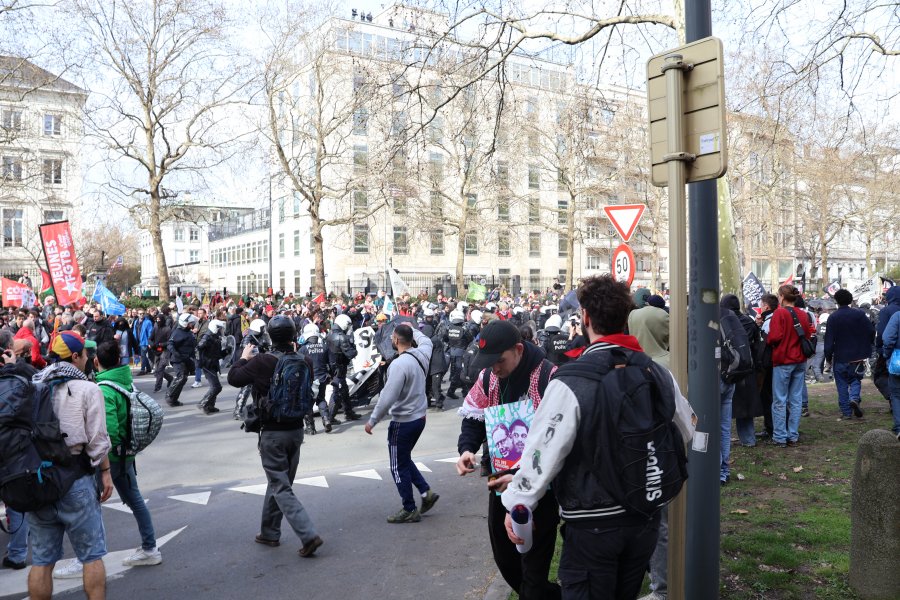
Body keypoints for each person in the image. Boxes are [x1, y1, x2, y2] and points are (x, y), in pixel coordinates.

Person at [500, 275, 694, 600]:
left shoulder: (570, 381)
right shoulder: (655, 371)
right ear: (626, 317)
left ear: (586, 318)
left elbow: (542, 452)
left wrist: (518, 502)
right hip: (643, 516)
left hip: (592, 525)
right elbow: (687, 428)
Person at [456, 320, 559, 600]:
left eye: (499, 361)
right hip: (498, 481)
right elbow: (473, 417)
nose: (495, 369)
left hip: (540, 486)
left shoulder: (550, 378)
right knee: (506, 560)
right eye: (489, 363)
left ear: (518, 349)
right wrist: (467, 449)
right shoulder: (489, 377)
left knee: (533, 568)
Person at [227, 315, 324, 558]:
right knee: (281, 483)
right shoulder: (305, 360)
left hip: (272, 431)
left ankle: (308, 534)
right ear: (294, 336)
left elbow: (234, 379)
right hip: (296, 429)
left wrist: (242, 358)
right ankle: (269, 532)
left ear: (270, 336)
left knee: (280, 485)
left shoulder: (263, 361)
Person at [26, 331, 114, 598]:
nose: (88, 358)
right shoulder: (88, 389)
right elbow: (98, 441)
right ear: (75, 356)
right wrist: (106, 472)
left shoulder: (32, 385)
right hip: (76, 480)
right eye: (85, 353)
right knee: (92, 556)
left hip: (39, 480)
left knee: (41, 561)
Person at [94, 341, 161, 567]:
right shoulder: (125, 381)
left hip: (109, 460)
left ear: (96, 361)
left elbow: (108, 431)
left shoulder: (104, 388)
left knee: (89, 506)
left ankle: (90, 557)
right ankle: (150, 547)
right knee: (136, 500)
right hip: (126, 456)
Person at [364, 324, 439, 523]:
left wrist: (372, 420)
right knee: (404, 459)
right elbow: (426, 340)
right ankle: (426, 492)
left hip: (403, 422)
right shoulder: (422, 353)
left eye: (392, 338)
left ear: (396, 340)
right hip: (419, 418)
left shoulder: (398, 365)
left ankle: (409, 508)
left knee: (397, 466)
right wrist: (413, 329)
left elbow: (387, 397)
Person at [1, 329, 35, 571]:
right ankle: (18, 553)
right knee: (17, 500)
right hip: (16, 446)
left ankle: (17, 552)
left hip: (14, 445)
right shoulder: (21, 371)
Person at [766, 285, 815, 446]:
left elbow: (774, 337)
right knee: (795, 399)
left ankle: (780, 436)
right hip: (800, 360)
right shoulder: (803, 314)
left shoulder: (779, 313)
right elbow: (807, 334)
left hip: (783, 360)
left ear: (781, 296)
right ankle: (792, 434)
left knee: (779, 400)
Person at [824, 289, 875, 419]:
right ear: (851, 299)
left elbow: (829, 341)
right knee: (856, 380)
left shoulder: (833, 317)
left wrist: (828, 358)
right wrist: (865, 346)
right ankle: (854, 398)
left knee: (841, 385)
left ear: (836, 301)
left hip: (840, 356)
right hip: (857, 356)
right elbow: (871, 331)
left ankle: (846, 412)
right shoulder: (859, 315)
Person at [298, 323, 333, 434]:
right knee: (321, 399)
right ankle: (326, 419)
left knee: (307, 403)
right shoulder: (324, 347)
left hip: (309, 380)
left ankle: (310, 428)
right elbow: (330, 363)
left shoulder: (302, 349)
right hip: (322, 378)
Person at [326, 314, 360, 421]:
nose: (349, 327)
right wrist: (353, 344)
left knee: (344, 390)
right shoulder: (342, 336)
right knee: (338, 392)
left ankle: (348, 412)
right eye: (348, 324)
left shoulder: (329, 334)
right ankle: (329, 418)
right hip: (339, 367)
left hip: (333, 367)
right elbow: (351, 354)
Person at [165, 313, 197, 408]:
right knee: (181, 377)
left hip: (186, 359)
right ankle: (169, 395)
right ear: (185, 323)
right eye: (191, 323)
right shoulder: (177, 332)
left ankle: (173, 400)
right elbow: (170, 344)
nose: (193, 324)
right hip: (178, 359)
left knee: (184, 378)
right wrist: (176, 353)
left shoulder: (188, 332)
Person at [196, 319, 225, 414]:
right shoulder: (207, 337)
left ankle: (210, 406)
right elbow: (198, 348)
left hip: (213, 363)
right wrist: (200, 361)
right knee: (216, 387)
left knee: (215, 386)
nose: (221, 330)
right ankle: (203, 403)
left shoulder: (215, 336)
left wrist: (226, 352)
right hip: (207, 364)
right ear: (215, 328)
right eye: (220, 328)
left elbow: (217, 353)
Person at [880, 310, 900, 439]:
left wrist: (886, 354)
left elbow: (888, 338)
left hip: (898, 361)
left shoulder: (897, 316)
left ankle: (899, 427)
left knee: (897, 395)